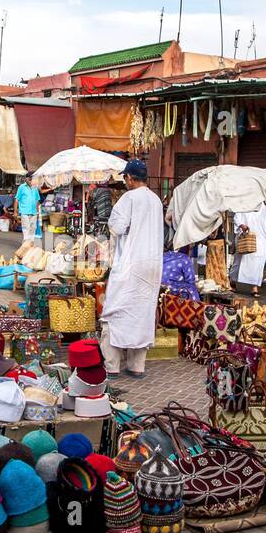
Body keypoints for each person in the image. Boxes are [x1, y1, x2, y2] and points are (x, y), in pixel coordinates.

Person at [100, 159, 164, 379]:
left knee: (113, 312)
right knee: (142, 313)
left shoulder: (128, 199)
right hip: (152, 265)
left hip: (130, 264)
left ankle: (112, 366)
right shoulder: (155, 200)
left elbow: (116, 227)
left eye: (125, 177)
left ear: (129, 177)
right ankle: (137, 366)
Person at [232, 202, 266, 297]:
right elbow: (237, 218)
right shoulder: (243, 206)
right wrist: (241, 225)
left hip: (260, 239)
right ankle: (232, 282)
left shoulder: (265, 209)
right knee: (239, 262)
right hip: (245, 238)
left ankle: (254, 287)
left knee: (258, 264)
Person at [14, 172, 41, 243]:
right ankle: (25, 244)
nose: (31, 181)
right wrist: (15, 211)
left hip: (34, 212)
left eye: (32, 180)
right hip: (24, 211)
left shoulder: (35, 187)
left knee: (33, 229)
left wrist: (38, 212)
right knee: (26, 228)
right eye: (29, 179)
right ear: (26, 179)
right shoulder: (21, 187)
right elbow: (17, 200)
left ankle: (30, 244)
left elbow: (37, 200)